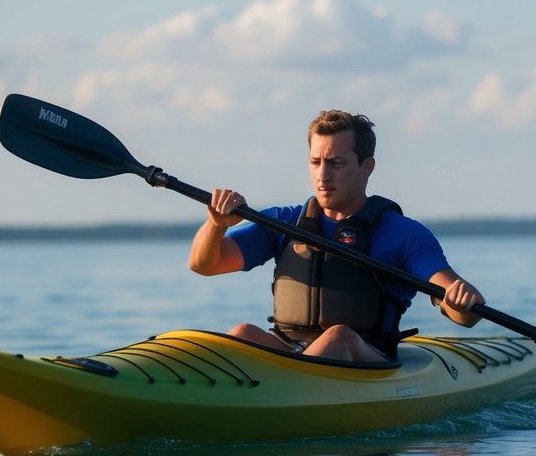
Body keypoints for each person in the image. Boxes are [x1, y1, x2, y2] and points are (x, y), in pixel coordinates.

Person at [188, 109, 485, 363]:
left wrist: (460, 302)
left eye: (336, 163)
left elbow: (461, 311)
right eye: (315, 162)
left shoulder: (403, 234)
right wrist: (217, 224)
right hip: (289, 349)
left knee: (338, 337)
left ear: (366, 167)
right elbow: (205, 265)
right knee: (242, 333)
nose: (323, 175)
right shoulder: (286, 222)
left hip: (365, 359)